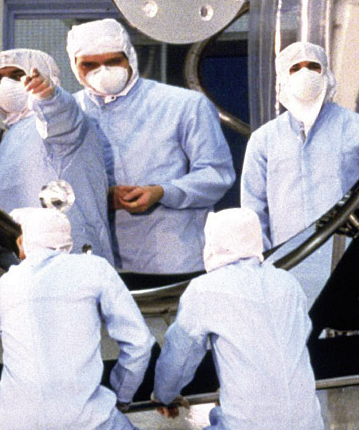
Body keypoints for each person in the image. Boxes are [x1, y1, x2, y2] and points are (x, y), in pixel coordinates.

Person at [67, 18, 235, 274]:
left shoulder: (184, 105)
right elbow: (54, 185)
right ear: (73, 65)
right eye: (89, 65)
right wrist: (100, 197)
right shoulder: (67, 116)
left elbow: (216, 175)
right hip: (96, 261)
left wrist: (162, 192)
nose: (103, 72)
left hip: (173, 259)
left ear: (130, 57)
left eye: (113, 61)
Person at [152, 208, 324, 430]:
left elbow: (179, 356)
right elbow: (299, 338)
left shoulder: (204, 290)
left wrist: (164, 394)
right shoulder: (288, 283)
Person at [0, 207, 154, 430]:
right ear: (67, 242)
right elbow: (140, 343)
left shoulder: (4, 285)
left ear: (22, 244)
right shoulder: (95, 268)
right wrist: (121, 397)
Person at [241, 41, 359, 304]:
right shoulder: (264, 140)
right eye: (295, 68)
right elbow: (254, 207)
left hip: (346, 257)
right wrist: (265, 260)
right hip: (285, 260)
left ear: (326, 73)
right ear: (282, 77)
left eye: (313, 66)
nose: (305, 73)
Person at [0, 48, 115, 264]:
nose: (4, 85)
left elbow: (61, 118)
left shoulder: (59, 121)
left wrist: (48, 97)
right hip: (21, 258)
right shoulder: (11, 134)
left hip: (66, 255)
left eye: (16, 75)